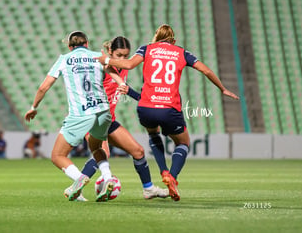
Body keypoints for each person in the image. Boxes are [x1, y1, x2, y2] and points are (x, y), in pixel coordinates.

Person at [96, 24, 240, 201]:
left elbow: (128, 64)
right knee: (184, 143)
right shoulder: (181, 52)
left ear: (155, 37)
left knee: (153, 134)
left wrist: (106, 60)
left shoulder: (147, 48)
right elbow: (206, 70)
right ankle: (171, 175)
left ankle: (162, 171)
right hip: (169, 107)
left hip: (146, 107)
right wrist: (222, 88)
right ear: (174, 40)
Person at [24, 31, 126, 202]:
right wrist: (122, 84)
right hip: (103, 111)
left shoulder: (64, 59)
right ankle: (107, 177)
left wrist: (34, 107)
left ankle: (79, 179)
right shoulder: (97, 56)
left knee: (58, 156)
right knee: (97, 147)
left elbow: (44, 87)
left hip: (80, 113)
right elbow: (113, 71)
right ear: (87, 43)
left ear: (70, 46)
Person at [66, 36, 169, 201]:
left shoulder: (124, 68)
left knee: (138, 151)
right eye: (119, 55)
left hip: (109, 121)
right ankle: (76, 187)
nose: (122, 59)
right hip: (92, 119)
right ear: (110, 52)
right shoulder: (101, 67)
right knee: (104, 152)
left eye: (125, 56)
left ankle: (148, 189)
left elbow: (128, 90)